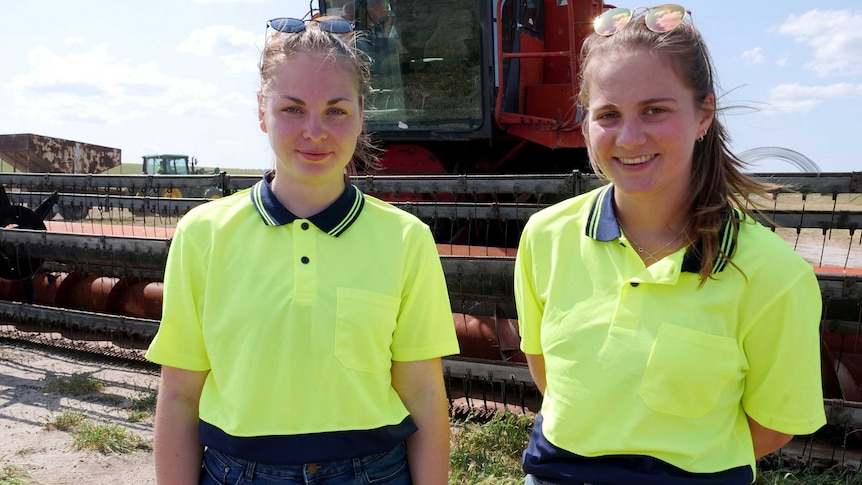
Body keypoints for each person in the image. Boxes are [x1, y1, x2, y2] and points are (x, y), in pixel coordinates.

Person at [514, 5, 825, 485]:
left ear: (704, 113)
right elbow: (547, 372)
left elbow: (773, 426)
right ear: (585, 125)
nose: (629, 136)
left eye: (655, 110)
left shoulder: (774, 275)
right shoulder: (544, 236)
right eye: (609, 114)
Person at [146, 17, 459, 485]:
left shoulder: (405, 238)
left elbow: (422, 392)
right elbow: (178, 397)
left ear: (361, 112)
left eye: (336, 110)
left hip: (373, 472)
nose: (315, 131)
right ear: (261, 111)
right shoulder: (203, 235)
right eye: (292, 109)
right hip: (236, 473)